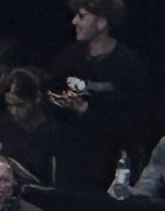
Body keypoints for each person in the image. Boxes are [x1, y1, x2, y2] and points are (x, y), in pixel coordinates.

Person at [48, 0, 149, 190]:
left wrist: (86, 109)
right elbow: (50, 96)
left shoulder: (128, 64)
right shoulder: (68, 57)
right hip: (70, 164)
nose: (74, 22)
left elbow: (132, 118)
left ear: (101, 22)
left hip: (109, 166)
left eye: (82, 16)